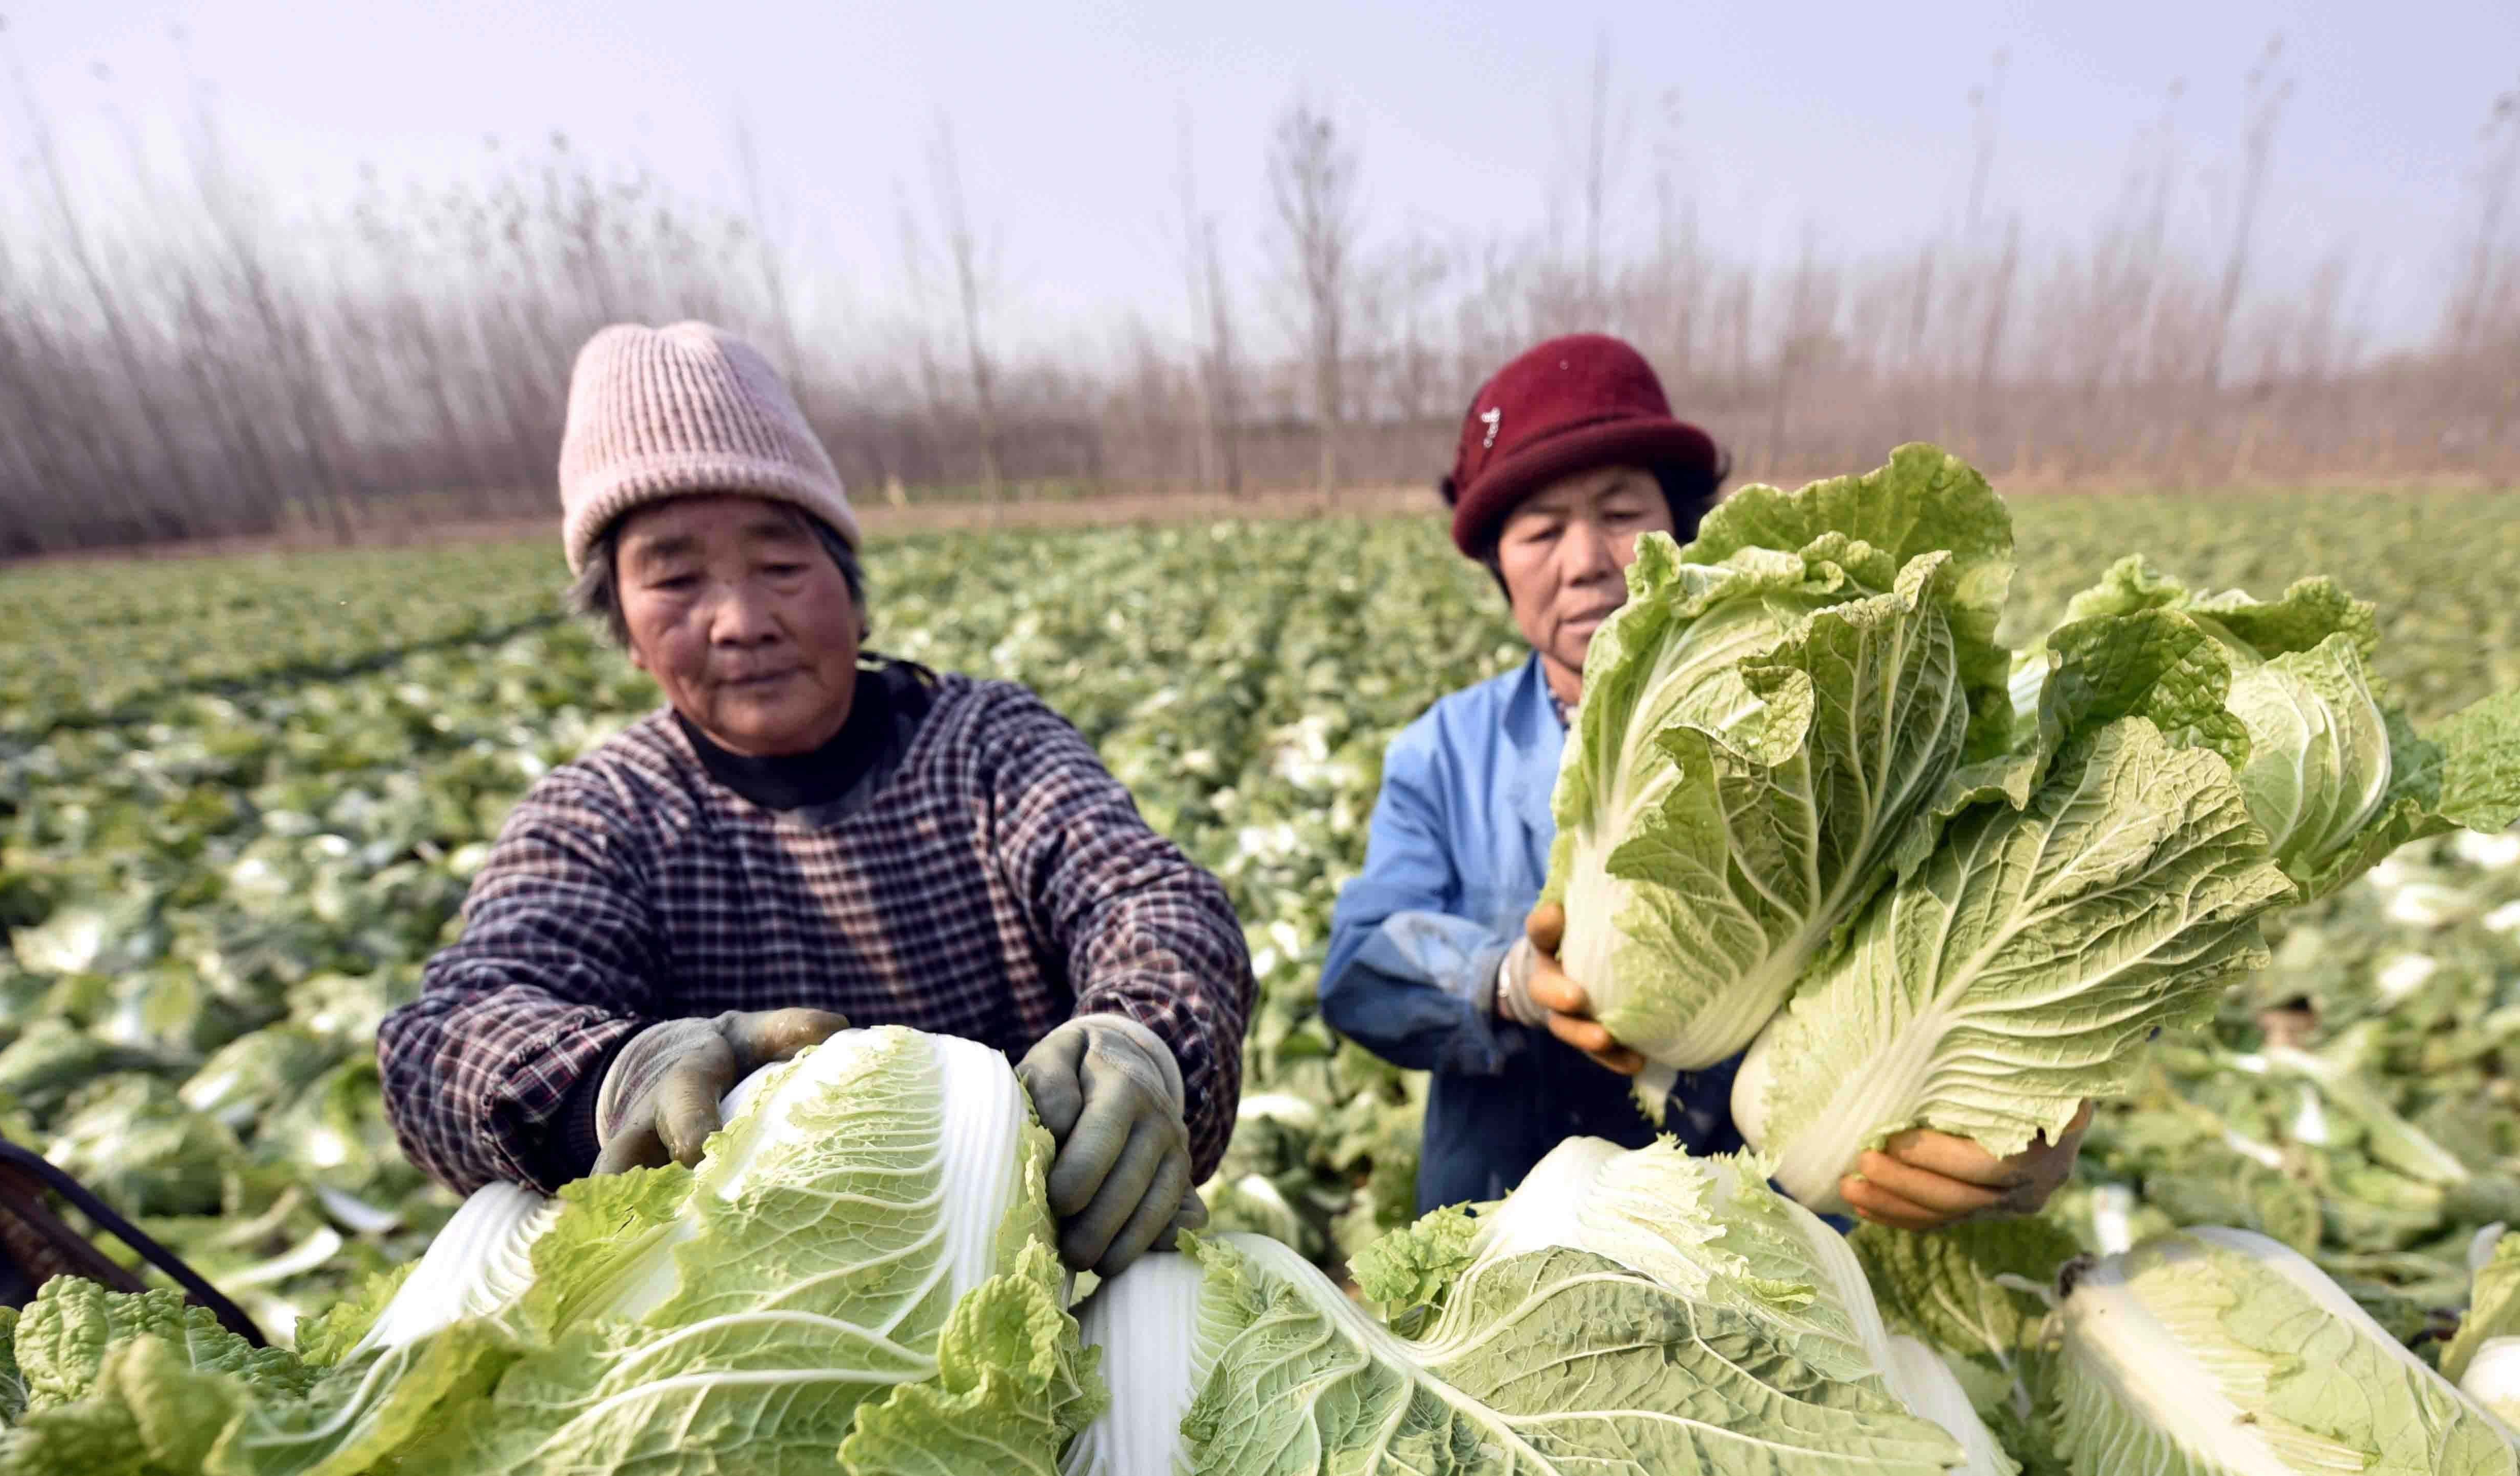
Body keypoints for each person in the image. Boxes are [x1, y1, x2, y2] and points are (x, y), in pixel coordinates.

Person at [378, 321, 1253, 1277]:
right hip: (755, 1321)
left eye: (782, 565)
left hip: (1052, 1266)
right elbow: (445, 1033)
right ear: (625, 632)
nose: (742, 622)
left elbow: (1150, 898)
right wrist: (614, 1078)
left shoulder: (988, 747)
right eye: (673, 577)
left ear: (855, 592)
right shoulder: (605, 816)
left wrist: (1145, 1043)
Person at [1318, 332, 2085, 1226]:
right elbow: (1358, 969)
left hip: (1771, 1249)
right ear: (1500, 565)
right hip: (1504, 1235)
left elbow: (2003, 912)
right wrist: (1505, 981)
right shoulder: (1442, 751)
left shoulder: (1834, 729)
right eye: (1539, 530)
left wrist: (2030, 1114)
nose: (1584, 561)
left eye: (1618, 512)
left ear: (1680, 525)